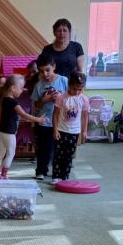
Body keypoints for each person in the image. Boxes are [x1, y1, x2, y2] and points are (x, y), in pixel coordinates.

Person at [0, 74, 48, 179]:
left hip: (1, 131)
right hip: (9, 133)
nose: (23, 90)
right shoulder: (14, 103)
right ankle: (4, 175)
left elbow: (16, 116)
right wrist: (38, 119)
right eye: (21, 88)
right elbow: (24, 115)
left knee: (0, 152)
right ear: (13, 88)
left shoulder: (4, 99)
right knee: (11, 153)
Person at [31, 53, 68, 181]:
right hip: (44, 122)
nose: (45, 74)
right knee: (43, 149)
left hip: (61, 122)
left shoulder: (63, 81)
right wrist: (45, 99)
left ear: (54, 67)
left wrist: (60, 97)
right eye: (41, 71)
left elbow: (71, 98)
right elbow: (36, 104)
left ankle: (58, 173)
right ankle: (41, 171)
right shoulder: (39, 85)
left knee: (60, 149)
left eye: (47, 70)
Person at [51, 71, 89, 183]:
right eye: (74, 89)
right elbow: (55, 114)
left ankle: (65, 176)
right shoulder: (61, 97)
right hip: (61, 130)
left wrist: (84, 131)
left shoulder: (84, 99)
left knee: (68, 156)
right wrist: (55, 130)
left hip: (74, 132)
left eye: (80, 89)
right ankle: (56, 176)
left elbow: (85, 116)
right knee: (58, 154)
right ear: (69, 85)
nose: (77, 92)